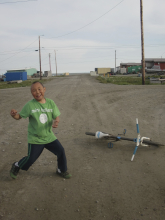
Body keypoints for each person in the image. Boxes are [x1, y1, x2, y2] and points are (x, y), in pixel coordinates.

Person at [10, 81, 71, 179]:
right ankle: (17, 165)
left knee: (61, 151)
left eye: (39, 89)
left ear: (44, 89)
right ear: (31, 93)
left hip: (49, 136)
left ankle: (61, 170)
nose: (37, 92)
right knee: (30, 159)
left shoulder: (51, 103)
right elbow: (19, 116)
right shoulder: (29, 105)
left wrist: (57, 121)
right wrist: (13, 115)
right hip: (35, 138)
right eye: (34, 90)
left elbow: (56, 116)